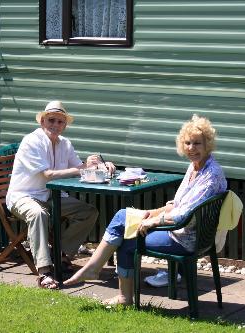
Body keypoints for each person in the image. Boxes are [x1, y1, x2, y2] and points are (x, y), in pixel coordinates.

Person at [64, 114, 227, 305]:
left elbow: (184, 215)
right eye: (188, 143)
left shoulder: (211, 174)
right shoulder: (196, 167)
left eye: (197, 143)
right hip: (184, 230)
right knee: (123, 215)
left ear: (208, 144)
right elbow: (177, 204)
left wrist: (154, 221)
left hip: (185, 237)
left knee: (126, 242)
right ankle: (96, 269)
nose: (192, 148)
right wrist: (151, 213)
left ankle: (118, 291)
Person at [6, 100, 115, 290]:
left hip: (52, 197)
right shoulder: (32, 141)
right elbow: (48, 175)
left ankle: (62, 256)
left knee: (88, 212)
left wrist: (102, 166)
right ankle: (44, 272)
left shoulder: (65, 143)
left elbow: (81, 168)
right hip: (23, 196)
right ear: (42, 122)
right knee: (38, 214)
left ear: (65, 125)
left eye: (60, 122)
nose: (55, 125)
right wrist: (81, 168)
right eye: (51, 120)